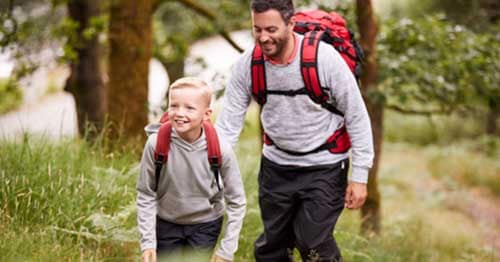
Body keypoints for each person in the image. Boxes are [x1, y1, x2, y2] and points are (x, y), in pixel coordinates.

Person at [215, 0, 374, 261]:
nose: (264, 38)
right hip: (277, 166)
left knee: (312, 243)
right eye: (257, 30)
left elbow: (357, 116)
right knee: (272, 248)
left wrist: (360, 176)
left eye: (271, 29)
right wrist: (213, 170)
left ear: (291, 24)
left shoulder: (324, 60)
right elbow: (228, 124)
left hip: (325, 166)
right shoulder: (248, 64)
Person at [137, 77, 247, 262]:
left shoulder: (221, 149)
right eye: (174, 105)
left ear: (206, 114)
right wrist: (148, 242)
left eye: (189, 108)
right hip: (166, 223)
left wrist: (226, 250)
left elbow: (237, 201)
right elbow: (146, 194)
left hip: (205, 225)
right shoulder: (156, 144)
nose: (180, 113)